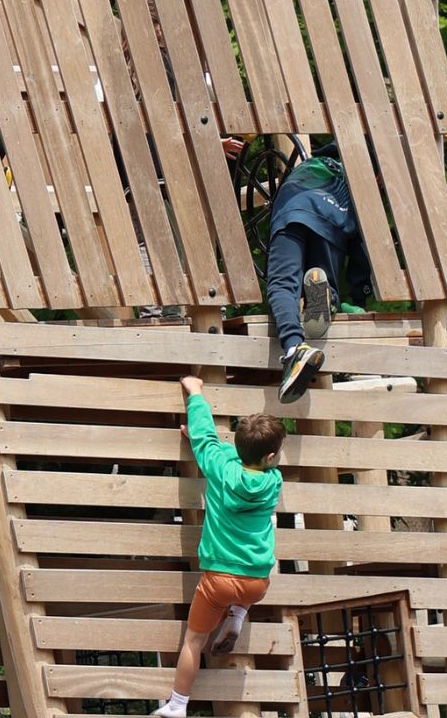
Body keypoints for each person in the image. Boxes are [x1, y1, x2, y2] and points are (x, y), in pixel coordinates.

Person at [152, 376, 285, 718]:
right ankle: (239, 614)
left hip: (217, 581)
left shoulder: (222, 468)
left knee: (194, 642)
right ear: (271, 456)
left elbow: (210, 443)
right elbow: (236, 457)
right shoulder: (273, 481)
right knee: (268, 532)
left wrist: (195, 393)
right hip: (257, 583)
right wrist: (208, 446)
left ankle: (178, 705)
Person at [268, 140, 372, 403]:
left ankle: (293, 346)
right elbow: (362, 248)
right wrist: (359, 298)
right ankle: (329, 299)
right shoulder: (360, 181)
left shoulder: (311, 165)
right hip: (333, 215)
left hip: (293, 206)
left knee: (283, 282)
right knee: (325, 273)